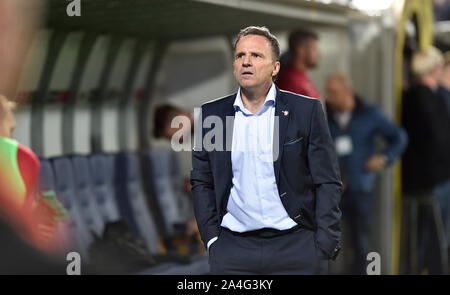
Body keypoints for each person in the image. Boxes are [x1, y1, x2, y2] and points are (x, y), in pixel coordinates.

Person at [190, 26, 342, 275]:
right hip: (233, 251)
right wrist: (212, 240)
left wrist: (323, 243)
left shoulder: (305, 111)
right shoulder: (212, 116)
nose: (246, 62)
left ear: (275, 68)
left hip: (296, 248)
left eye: (256, 56)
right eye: (240, 56)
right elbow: (201, 180)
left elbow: (327, 180)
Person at [325, 73, 408, 274]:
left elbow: (399, 137)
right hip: (333, 192)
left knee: (361, 241)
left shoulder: (369, 113)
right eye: (328, 93)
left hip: (360, 188)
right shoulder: (322, 116)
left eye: (334, 93)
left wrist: (383, 158)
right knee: (326, 241)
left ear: (347, 91)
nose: (329, 98)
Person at [402, 46, 450, 274]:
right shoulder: (428, 98)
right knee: (434, 233)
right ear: (433, 69)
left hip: (428, 176)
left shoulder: (416, 96)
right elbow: (437, 139)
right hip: (433, 178)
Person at [276, 29, 322, 102]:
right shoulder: (290, 82)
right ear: (301, 50)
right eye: (314, 49)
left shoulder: (301, 78)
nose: (319, 55)